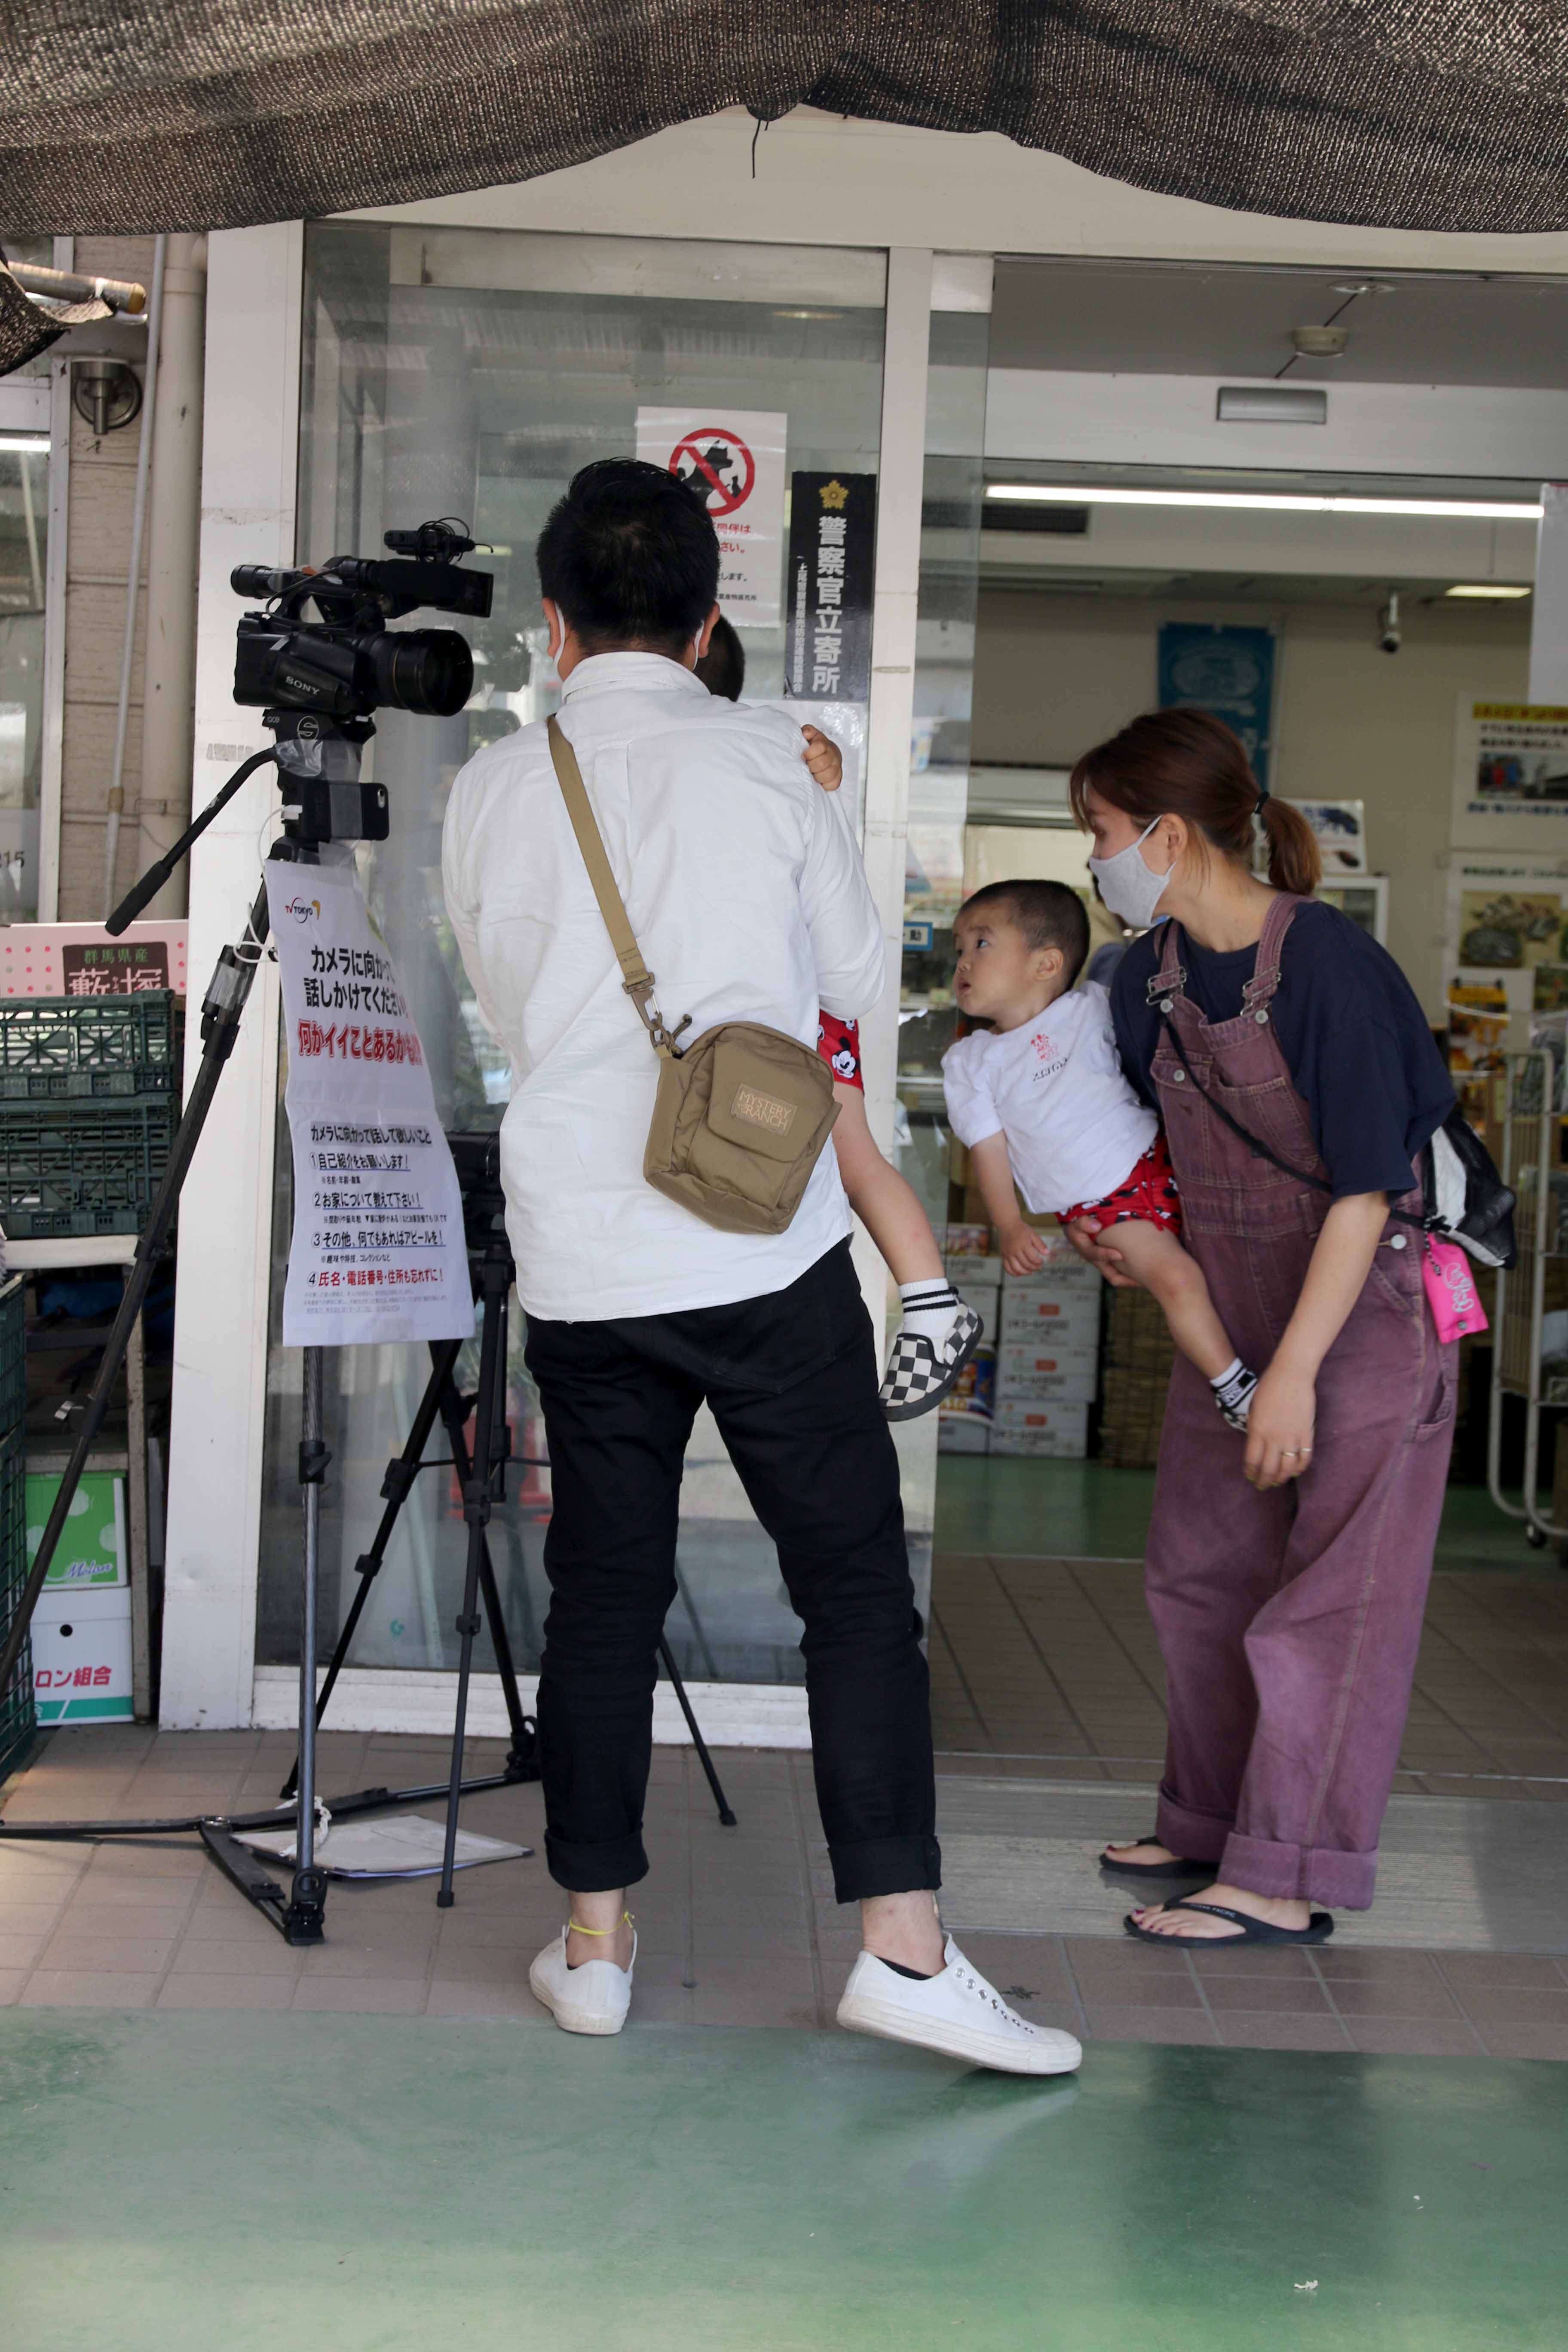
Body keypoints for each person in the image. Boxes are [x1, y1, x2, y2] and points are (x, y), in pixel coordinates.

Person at [442, 458, 1079, 2073]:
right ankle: (901, 1949)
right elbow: (854, 982)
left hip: (581, 1253)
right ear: (712, 617)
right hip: (758, 1242)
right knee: (854, 1589)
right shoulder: (772, 765)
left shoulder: (492, 788)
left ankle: (591, 1944)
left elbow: (508, 1005)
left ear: (553, 624)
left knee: (601, 1592)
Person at [1066, 708, 1456, 1948]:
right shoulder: (1147, 980)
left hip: (1365, 1316)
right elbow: (1158, 1160)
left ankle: (1284, 1872)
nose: (1097, 859)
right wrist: (1125, 1231)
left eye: (1104, 833)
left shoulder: (1333, 968)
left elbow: (1364, 1188)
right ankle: (1208, 1819)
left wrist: (1290, 1377)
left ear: (1171, 836)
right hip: (1229, 1314)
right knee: (1201, 1569)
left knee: (1330, 1603)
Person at [697, 613, 982, 1417]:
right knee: (835, 1161)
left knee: (850, 1160)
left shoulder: (765, 751)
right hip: (797, 1007)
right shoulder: (769, 754)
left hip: (808, 1004)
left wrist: (828, 774)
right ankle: (927, 1302)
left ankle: (930, 1304)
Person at [941, 879, 1261, 1430]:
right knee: (1178, 1282)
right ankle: (1234, 1388)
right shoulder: (972, 1063)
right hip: (1107, 1205)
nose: (963, 962)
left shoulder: (1092, 1004)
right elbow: (988, 1151)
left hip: (1168, 1158)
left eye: (982, 944)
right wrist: (1010, 1223)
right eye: (960, 949)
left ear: (1046, 964)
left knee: (1239, 1261)